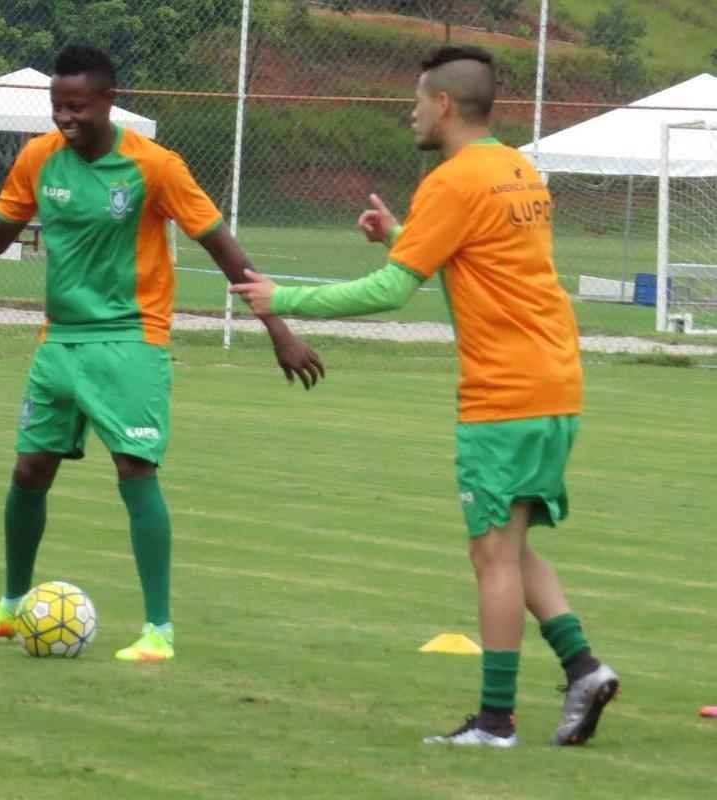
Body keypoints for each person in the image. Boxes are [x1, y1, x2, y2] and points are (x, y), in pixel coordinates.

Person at [230, 45, 618, 746]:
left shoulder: (451, 180)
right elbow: (485, 256)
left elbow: (387, 293)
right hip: (555, 378)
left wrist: (276, 296)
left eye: (415, 99)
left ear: (442, 104)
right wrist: (402, 237)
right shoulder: (516, 169)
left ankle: (496, 724)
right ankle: (583, 669)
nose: (409, 111)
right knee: (512, 541)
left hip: (504, 389)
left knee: (490, 554)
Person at [0, 44, 323, 662]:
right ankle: (9, 608)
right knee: (30, 469)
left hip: (131, 342)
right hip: (58, 342)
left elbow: (222, 246)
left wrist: (277, 327)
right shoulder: (39, 159)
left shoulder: (155, 167)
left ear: (110, 102)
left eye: (78, 107)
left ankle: (158, 631)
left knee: (136, 471)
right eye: (58, 107)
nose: (65, 118)